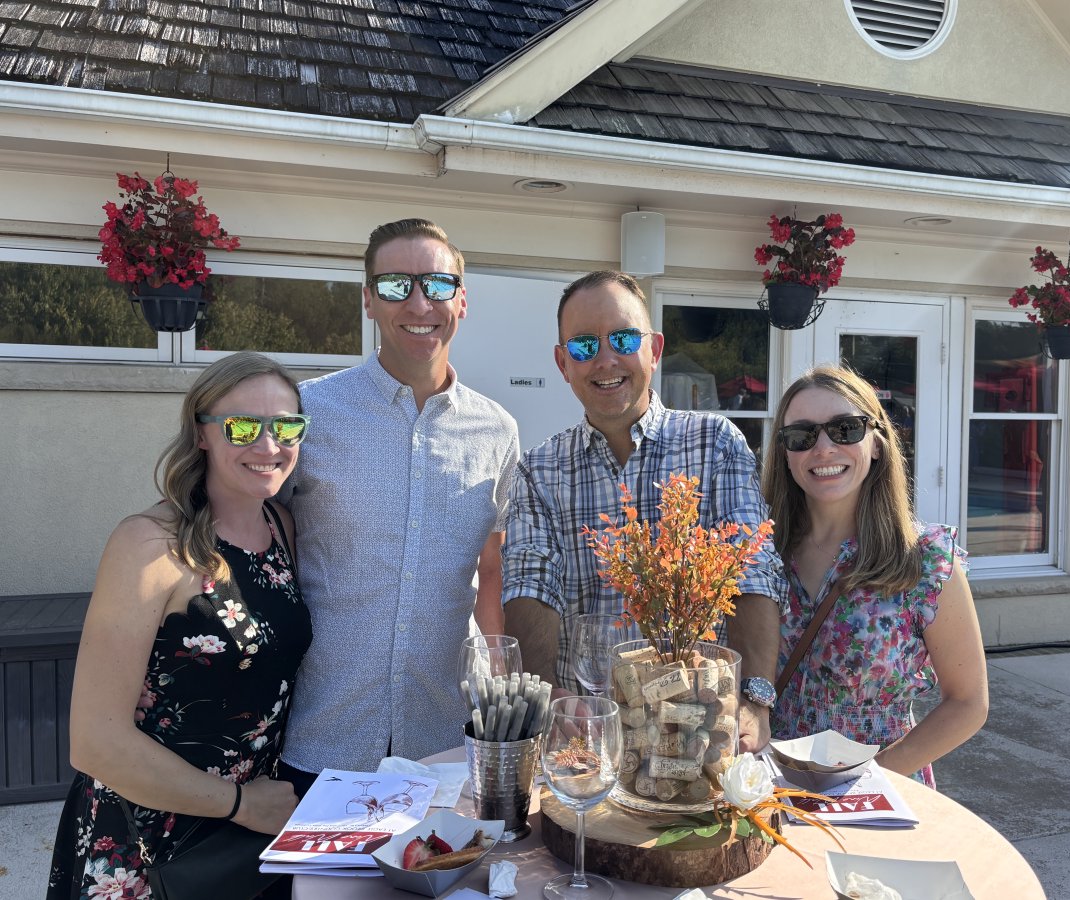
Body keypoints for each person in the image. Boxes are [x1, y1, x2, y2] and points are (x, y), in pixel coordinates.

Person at [47, 352, 313, 899]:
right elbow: (94, 742)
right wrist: (240, 804)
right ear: (203, 435)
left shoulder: (281, 526)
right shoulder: (149, 545)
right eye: (243, 426)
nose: (268, 446)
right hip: (143, 840)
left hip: (241, 840)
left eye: (286, 426)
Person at [502, 270, 787, 752]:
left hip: (701, 729)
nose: (605, 359)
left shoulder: (713, 443)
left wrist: (754, 700)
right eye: (584, 346)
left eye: (623, 338)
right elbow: (530, 587)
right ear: (562, 362)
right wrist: (550, 697)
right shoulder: (540, 468)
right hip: (590, 730)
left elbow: (751, 571)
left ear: (653, 349)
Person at [280, 218, 519, 789]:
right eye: (394, 286)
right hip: (322, 730)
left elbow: (493, 572)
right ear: (368, 300)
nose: (418, 303)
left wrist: (506, 699)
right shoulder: (309, 414)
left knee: (442, 876)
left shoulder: (497, 431)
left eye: (437, 285)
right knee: (319, 884)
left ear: (462, 301)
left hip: (446, 734)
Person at [762, 365, 988, 786]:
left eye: (845, 428)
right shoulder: (761, 554)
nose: (824, 448)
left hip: (877, 794)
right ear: (785, 454)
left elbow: (968, 702)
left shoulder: (925, 560)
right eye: (802, 435)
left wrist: (868, 779)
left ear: (878, 443)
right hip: (770, 786)